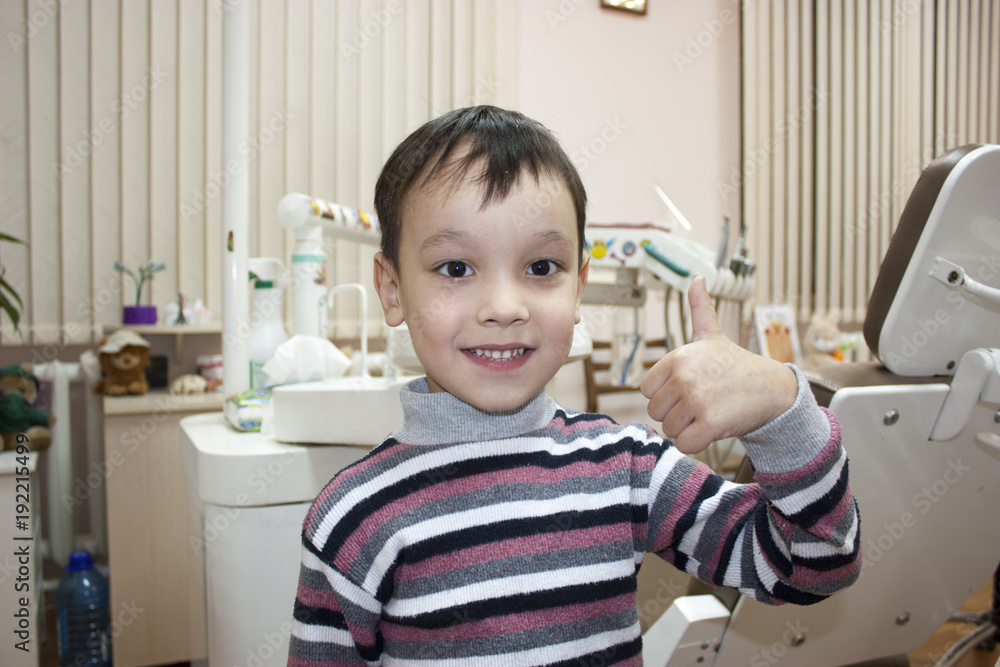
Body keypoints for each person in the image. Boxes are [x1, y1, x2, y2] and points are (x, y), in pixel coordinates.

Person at [287, 106, 860, 666]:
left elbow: (813, 565)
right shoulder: (352, 517)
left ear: (579, 285)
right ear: (391, 290)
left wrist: (782, 409)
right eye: (456, 268)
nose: (505, 307)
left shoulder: (627, 469)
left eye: (541, 268)